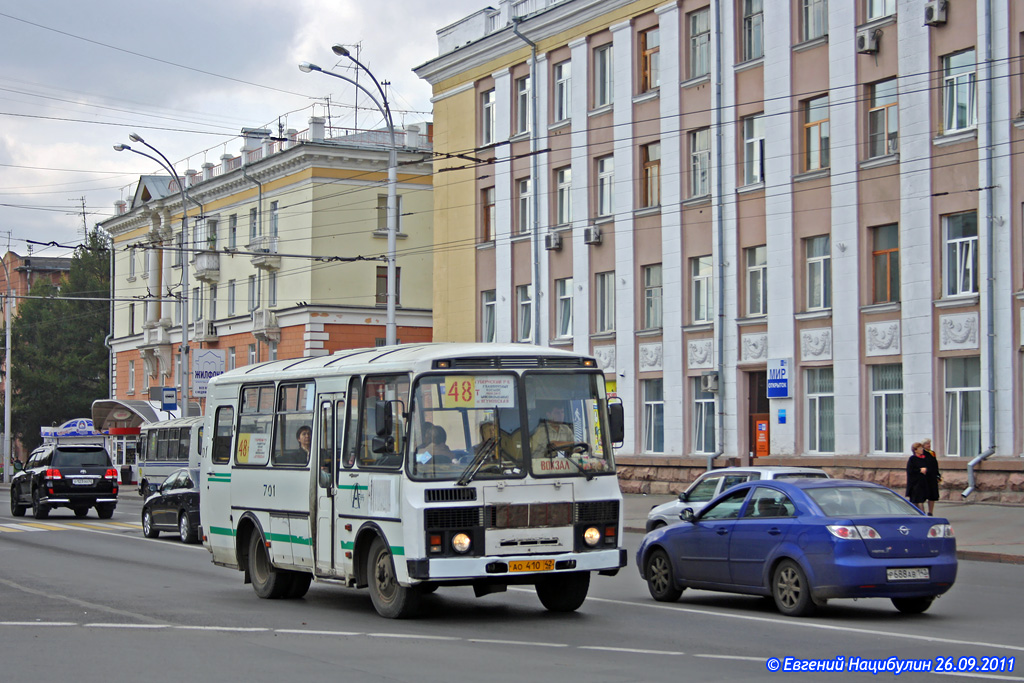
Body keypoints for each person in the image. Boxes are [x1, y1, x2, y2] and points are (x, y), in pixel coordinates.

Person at [905, 441, 941, 515]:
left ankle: (924, 514)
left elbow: (931, 467)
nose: (922, 449)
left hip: (924, 482)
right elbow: (910, 470)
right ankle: (921, 513)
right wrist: (920, 470)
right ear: (915, 450)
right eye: (920, 448)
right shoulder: (912, 459)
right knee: (917, 499)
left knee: (922, 498)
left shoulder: (925, 457)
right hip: (915, 482)